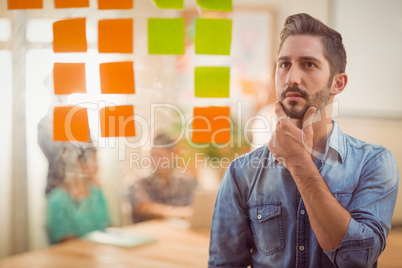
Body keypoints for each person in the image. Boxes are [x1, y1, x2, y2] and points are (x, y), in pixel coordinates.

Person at [208, 13, 399, 268]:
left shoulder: (373, 162)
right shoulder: (240, 172)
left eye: (308, 64)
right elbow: (224, 264)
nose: (291, 78)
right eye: (284, 64)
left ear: (338, 82)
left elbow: (356, 260)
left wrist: (299, 162)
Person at [46, 144, 110, 244]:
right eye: (94, 161)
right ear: (77, 163)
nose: (97, 166)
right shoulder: (57, 200)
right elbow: (67, 242)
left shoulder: (97, 193)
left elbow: (107, 228)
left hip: (97, 252)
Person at [129, 134, 197, 223]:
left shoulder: (186, 179)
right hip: (152, 231)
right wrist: (180, 213)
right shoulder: (139, 181)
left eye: (160, 156)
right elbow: (143, 207)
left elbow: (201, 201)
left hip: (181, 230)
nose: (155, 160)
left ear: (173, 156)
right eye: (152, 155)